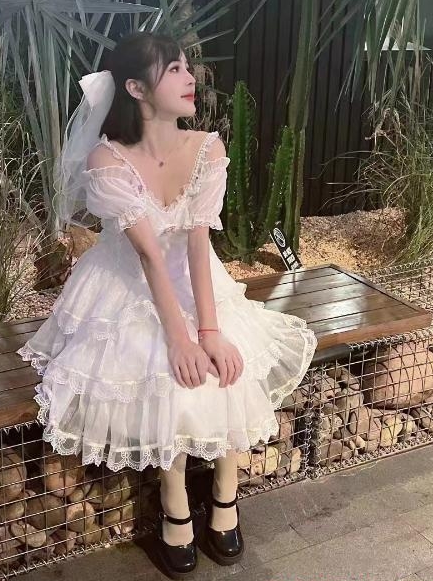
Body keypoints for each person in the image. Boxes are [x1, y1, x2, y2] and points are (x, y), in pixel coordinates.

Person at [17, 31, 318, 578]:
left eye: (186, 66)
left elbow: (198, 244)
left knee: (227, 361)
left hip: (197, 279)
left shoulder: (207, 147)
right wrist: (180, 339)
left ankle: (225, 490)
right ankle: (174, 501)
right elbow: (150, 257)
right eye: (173, 69)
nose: (189, 77)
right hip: (125, 285)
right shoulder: (107, 159)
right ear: (136, 88)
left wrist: (208, 331)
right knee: (166, 369)